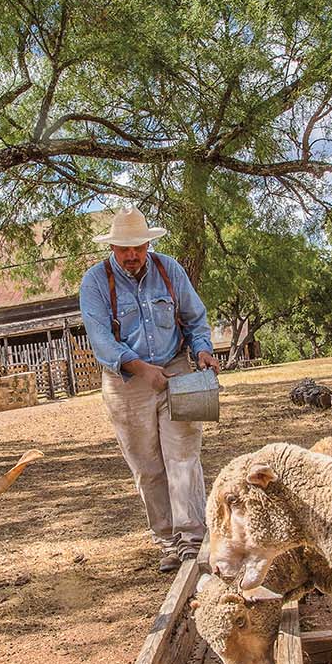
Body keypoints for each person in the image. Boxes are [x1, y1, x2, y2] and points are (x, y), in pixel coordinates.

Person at [79, 205, 220, 573]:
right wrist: (142, 369)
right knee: (147, 465)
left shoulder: (169, 269)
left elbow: (195, 319)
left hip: (176, 371)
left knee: (183, 455)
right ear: (112, 248)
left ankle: (192, 540)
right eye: (124, 248)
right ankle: (167, 541)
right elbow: (101, 342)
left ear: (147, 244)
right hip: (127, 383)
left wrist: (202, 349)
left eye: (138, 247)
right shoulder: (95, 282)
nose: (132, 255)